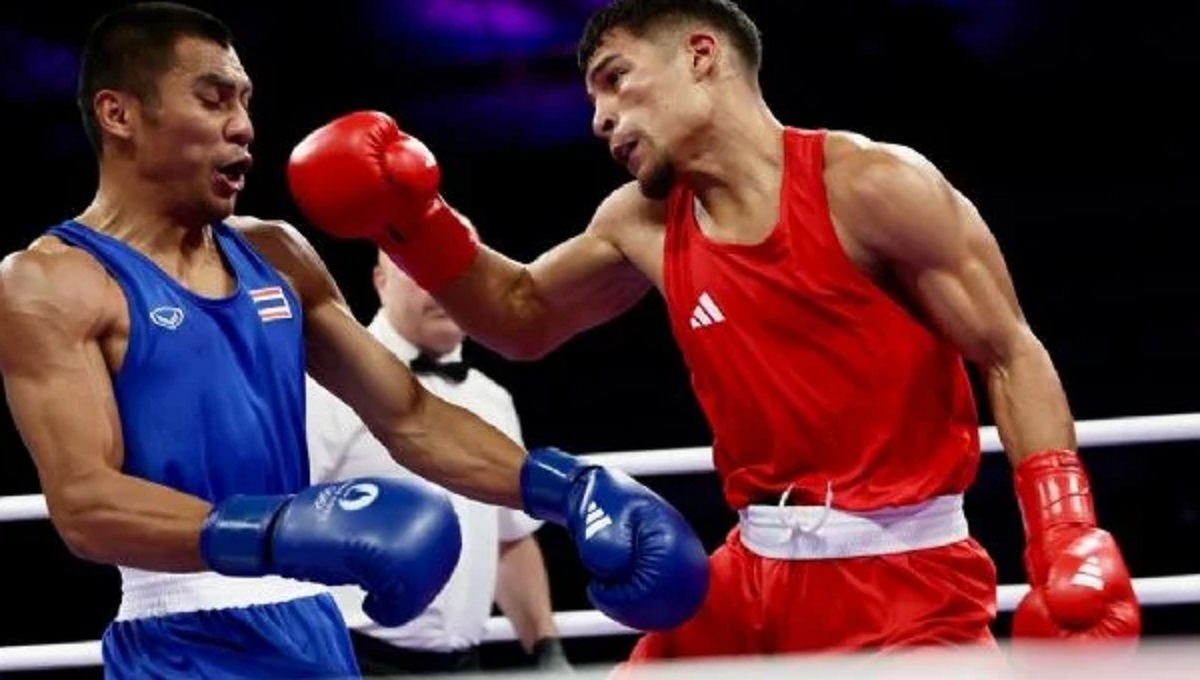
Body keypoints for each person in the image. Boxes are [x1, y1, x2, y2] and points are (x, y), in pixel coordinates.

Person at [285, 0, 1142, 665]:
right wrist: (415, 221)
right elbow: (522, 318)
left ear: (702, 55)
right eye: (591, 96)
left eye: (615, 79)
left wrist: (1065, 531)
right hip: (743, 579)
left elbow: (1008, 350)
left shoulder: (874, 186)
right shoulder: (643, 220)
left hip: (907, 585)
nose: (599, 118)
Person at [0, 3, 709, 678]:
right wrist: (282, 528)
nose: (243, 126)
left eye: (245, 101)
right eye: (214, 98)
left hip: (311, 628)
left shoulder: (274, 255)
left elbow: (410, 415)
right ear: (118, 113)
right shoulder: (53, 281)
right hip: (179, 636)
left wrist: (564, 488)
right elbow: (85, 505)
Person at [306, 251, 570, 675]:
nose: (440, 286)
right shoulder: (331, 383)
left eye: (454, 272)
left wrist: (546, 648)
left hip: (464, 664)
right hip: (349, 656)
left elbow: (509, 538)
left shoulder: (492, 399)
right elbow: (279, 515)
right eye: (416, 270)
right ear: (380, 281)